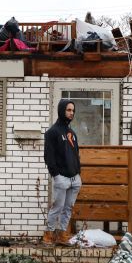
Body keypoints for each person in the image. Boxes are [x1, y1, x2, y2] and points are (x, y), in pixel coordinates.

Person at [43, 99, 82, 245]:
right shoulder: (52, 132)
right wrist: (56, 175)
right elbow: (48, 156)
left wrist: (78, 173)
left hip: (74, 178)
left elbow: (76, 154)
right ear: (61, 110)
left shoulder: (72, 133)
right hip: (61, 178)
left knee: (68, 208)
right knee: (57, 207)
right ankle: (49, 233)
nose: (71, 113)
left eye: (73, 110)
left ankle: (61, 234)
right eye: (68, 110)